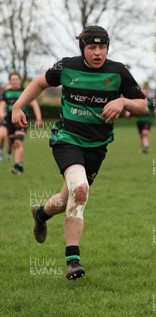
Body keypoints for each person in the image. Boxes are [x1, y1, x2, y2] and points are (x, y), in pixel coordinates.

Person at [11, 25, 147, 280]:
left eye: (102, 47)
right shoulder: (66, 67)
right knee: (80, 189)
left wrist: (124, 101)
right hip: (67, 139)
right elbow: (40, 83)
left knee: (66, 199)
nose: (97, 53)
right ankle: (72, 260)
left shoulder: (118, 72)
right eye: (92, 47)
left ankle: (41, 213)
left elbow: (143, 106)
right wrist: (18, 105)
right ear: (82, 48)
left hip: (97, 147)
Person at [0, 72, 43, 174]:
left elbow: (35, 105)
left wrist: (39, 118)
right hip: (9, 119)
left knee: (18, 142)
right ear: (10, 81)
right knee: (3, 136)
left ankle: (18, 166)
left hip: (21, 120)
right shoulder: (7, 92)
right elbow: (2, 104)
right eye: (12, 79)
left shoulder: (25, 92)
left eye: (16, 79)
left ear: (19, 80)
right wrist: (1, 113)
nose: (15, 81)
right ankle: (3, 150)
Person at [126, 87, 156, 153]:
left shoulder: (151, 101)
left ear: (146, 93)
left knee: (145, 133)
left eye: (145, 92)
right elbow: (132, 108)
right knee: (141, 135)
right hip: (139, 121)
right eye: (142, 92)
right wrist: (128, 113)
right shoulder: (138, 101)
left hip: (147, 120)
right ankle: (143, 148)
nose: (144, 93)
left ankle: (146, 145)